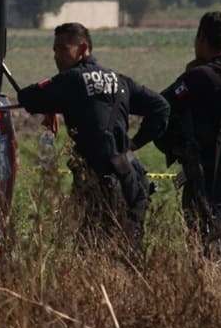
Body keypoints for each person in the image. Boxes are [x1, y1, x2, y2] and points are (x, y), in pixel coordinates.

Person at [17, 22, 169, 257]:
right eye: (54, 50)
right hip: (131, 177)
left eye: (63, 49)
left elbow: (27, 96)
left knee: (90, 252)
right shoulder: (119, 80)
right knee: (130, 253)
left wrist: (53, 104)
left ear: (82, 48)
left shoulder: (71, 80)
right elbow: (161, 107)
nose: (56, 56)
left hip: (99, 182)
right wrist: (134, 144)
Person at [155, 11, 221, 259]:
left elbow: (159, 105)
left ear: (202, 39)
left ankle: (216, 282)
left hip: (208, 175)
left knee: (210, 243)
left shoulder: (200, 76)